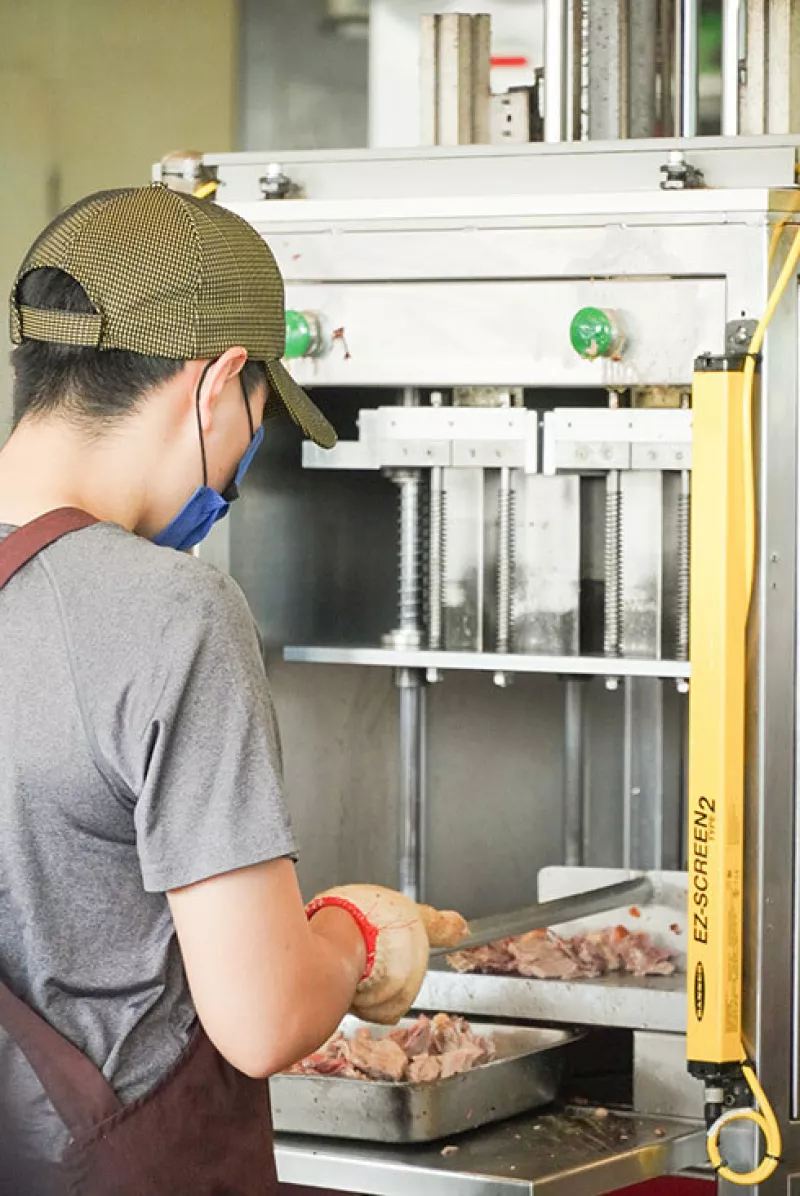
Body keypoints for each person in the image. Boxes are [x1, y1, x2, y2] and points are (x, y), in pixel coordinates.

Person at [0, 184, 452, 1195]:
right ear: (217, 386)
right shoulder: (172, 608)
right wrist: (355, 933)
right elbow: (262, 1018)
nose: (241, 464)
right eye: (254, 420)